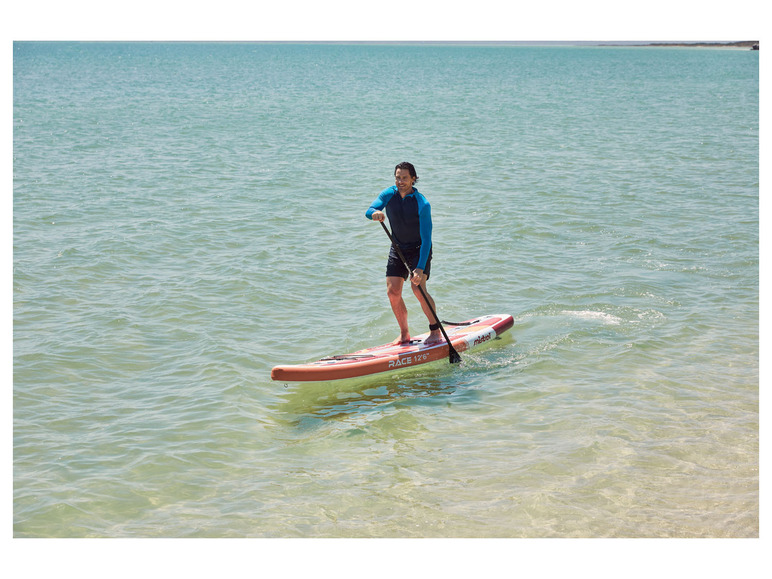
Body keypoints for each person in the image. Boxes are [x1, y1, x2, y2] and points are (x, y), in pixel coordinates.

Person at [366, 162, 443, 345]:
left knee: (418, 288)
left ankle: (435, 331)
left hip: (419, 249)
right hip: (397, 248)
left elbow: (426, 239)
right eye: (398, 177)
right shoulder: (388, 194)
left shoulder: (422, 204)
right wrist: (375, 213)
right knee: (393, 292)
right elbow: (369, 211)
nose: (400, 181)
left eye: (405, 178)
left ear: (413, 179)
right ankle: (404, 333)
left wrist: (420, 267)